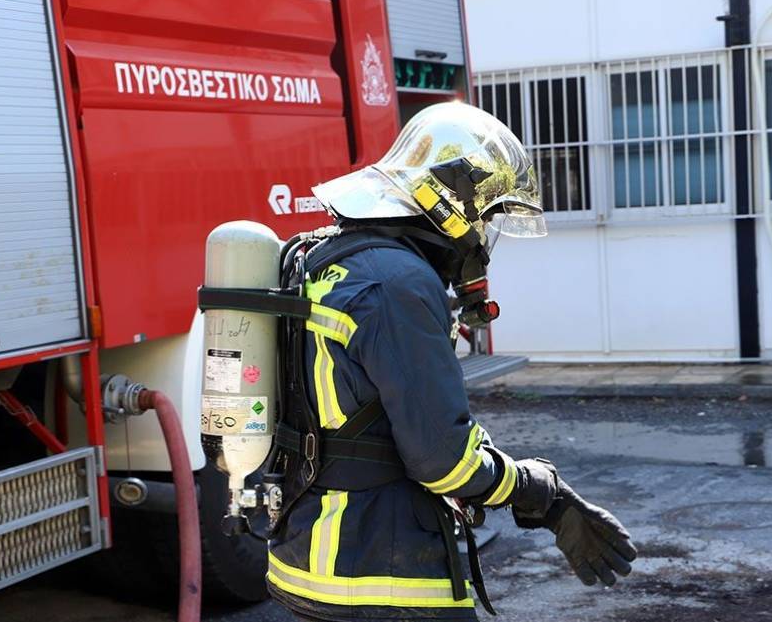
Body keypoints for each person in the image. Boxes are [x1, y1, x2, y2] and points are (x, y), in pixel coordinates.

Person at [265, 102, 637, 622]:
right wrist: (539, 489)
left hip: (309, 561)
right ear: (450, 206)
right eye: (483, 216)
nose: (481, 237)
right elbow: (445, 461)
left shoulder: (329, 261)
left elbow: (384, 422)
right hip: (379, 579)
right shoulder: (396, 284)